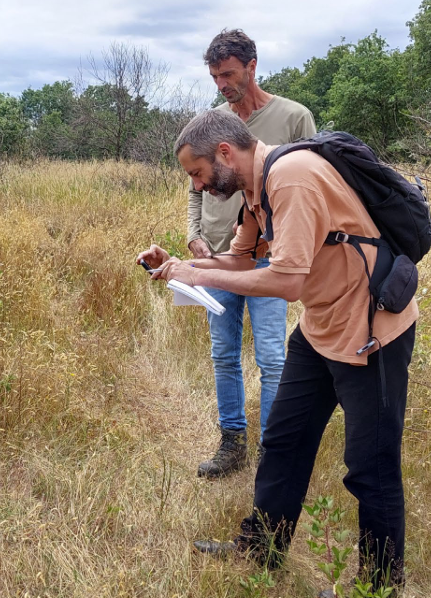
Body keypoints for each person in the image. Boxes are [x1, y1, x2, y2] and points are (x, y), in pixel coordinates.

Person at [139, 110, 417, 598]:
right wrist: (183, 265)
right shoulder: (255, 189)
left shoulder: (292, 177)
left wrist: (200, 276)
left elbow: (285, 282)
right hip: (320, 327)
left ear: (225, 153)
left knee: (369, 466)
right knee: (284, 441)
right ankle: (262, 547)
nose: (198, 186)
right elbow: (243, 260)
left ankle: (378, 593)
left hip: (371, 331)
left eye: (197, 173)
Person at [188, 29, 316, 478]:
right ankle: (232, 445)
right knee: (223, 355)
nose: (221, 84)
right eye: (215, 76)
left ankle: (271, 449)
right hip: (223, 251)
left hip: (272, 259)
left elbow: (309, 187)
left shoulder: (294, 118)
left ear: (251, 67)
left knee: (272, 357)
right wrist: (193, 243)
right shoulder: (212, 125)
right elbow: (195, 190)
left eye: (227, 74)